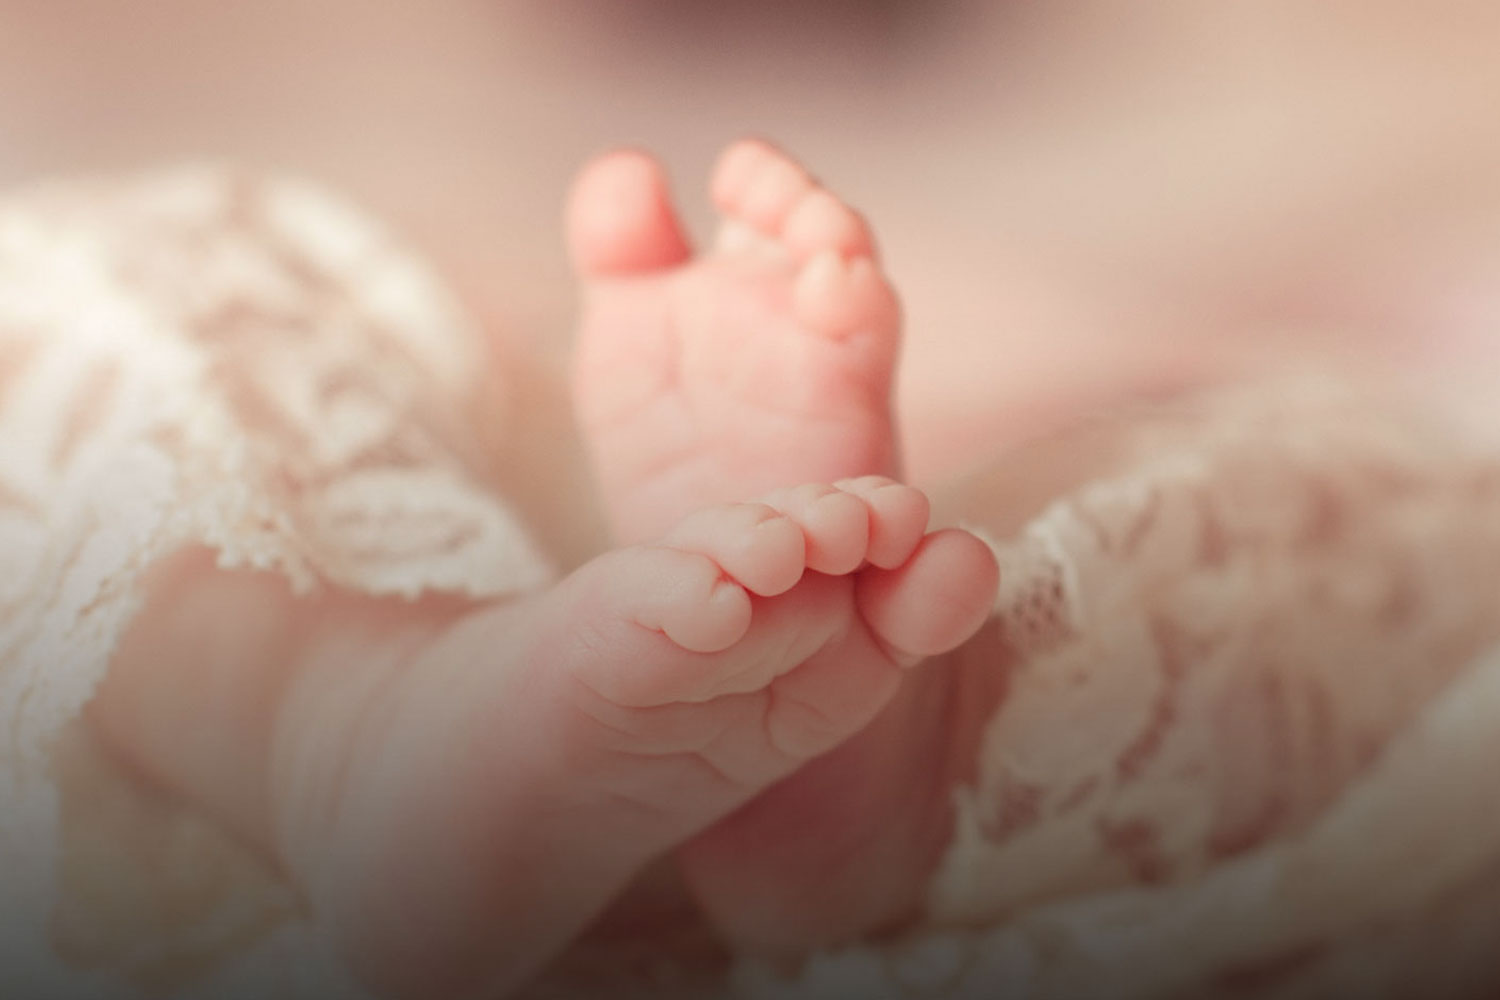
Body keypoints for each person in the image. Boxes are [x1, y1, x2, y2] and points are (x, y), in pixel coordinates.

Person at [7, 140, 1500, 1000]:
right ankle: (372, 722)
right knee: (116, 306)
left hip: (576, 576)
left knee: (117, 310)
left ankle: (374, 722)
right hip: (521, 539)